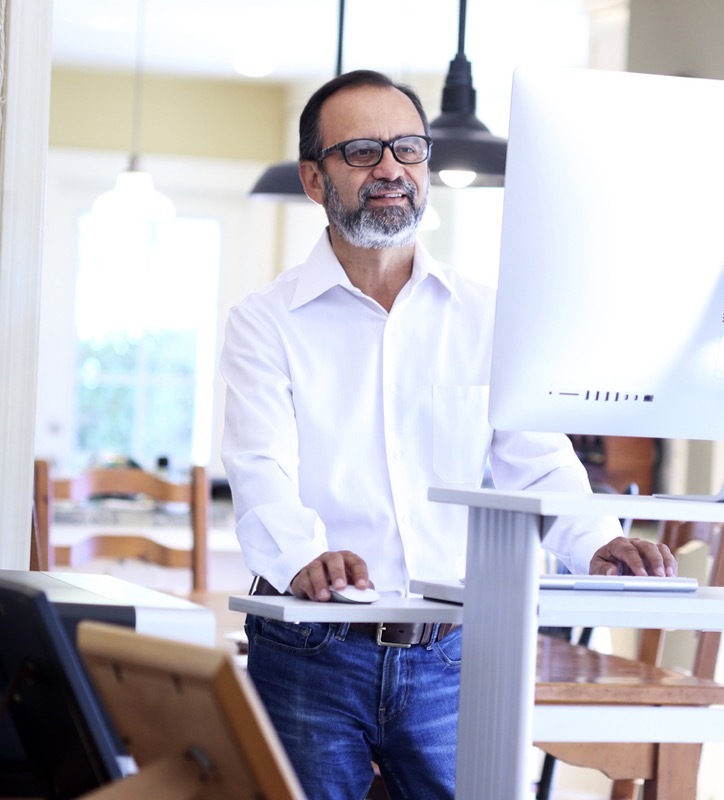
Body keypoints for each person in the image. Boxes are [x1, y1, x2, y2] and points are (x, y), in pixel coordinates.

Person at [219, 69, 676, 800]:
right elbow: (260, 467)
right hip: (311, 651)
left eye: (408, 148)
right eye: (364, 151)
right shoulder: (264, 322)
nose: (392, 168)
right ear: (314, 178)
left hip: (453, 653)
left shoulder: (488, 317)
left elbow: (537, 464)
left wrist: (598, 542)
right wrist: (307, 556)